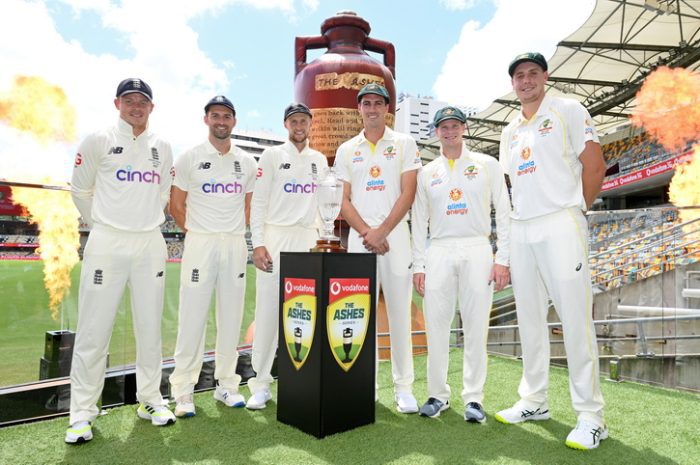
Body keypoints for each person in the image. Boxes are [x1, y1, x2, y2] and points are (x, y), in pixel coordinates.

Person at [495, 52, 608, 450]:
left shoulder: (568, 110)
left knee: (575, 319)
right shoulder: (508, 130)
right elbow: (513, 186)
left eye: (532, 74)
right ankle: (534, 401)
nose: (525, 81)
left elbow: (596, 166)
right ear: (513, 85)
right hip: (523, 227)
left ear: (545, 77)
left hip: (561, 220)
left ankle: (592, 416)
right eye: (519, 76)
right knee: (529, 319)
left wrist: (577, 210)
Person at [66, 78, 175, 444]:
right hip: (107, 242)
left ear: (151, 107)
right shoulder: (98, 140)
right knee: (94, 330)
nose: (136, 106)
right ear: (117, 104)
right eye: (129, 100)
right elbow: (80, 188)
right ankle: (82, 413)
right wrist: (103, 224)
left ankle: (150, 399)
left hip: (149, 243)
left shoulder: (162, 147)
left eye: (142, 101)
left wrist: (140, 224)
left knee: (149, 327)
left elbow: (162, 194)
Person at [411, 106, 510, 422]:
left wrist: (502, 258)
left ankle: (474, 399)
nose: (450, 131)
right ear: (436, 132)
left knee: (476, 325)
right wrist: (419, 265)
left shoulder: (486, 165)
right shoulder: (427, 173)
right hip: (439, 249)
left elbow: (504, 212)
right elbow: (419, 221)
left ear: (464, 128)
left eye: (455, 126)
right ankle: (437, 396)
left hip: (477, 247)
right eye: (444, 127)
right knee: (437, 327)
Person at [335, 83, 422, 414]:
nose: (372, 108)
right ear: (359, 109)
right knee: (361, 316)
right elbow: (342, 200)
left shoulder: (403, 143)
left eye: (378, 103)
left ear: (388, 109)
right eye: (366, 103)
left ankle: (404, 389)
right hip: (360, 238)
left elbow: (408, 192)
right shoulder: (347, 149)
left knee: (400, 314)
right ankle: (365, 386)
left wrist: (382, 230)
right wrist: (366, 232)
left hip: (396, 236)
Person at [168, 96, 257, 417]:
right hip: (200, 243)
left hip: (234, 244)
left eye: (227, 116)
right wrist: (197, 232)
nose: (221, 121)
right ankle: (183, 391)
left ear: (234, 121)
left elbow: (249, 206)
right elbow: (176, 204)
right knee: (192, 318)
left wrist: (230, 230)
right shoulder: (190, 158)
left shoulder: (247, 162)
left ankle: (227, 385)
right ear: (206, 119)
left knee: (231, 317)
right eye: (215, 115)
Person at [246, 103, 328, 409]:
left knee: (304, 313)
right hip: (276, 237)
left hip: (307, 239)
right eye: (294, 120)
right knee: (268, 312)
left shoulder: (319, 160)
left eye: (304, 120)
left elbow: (325, 203)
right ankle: (261, 384)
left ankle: (303, 381)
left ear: (310, 124)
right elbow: (259, 202)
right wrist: (258, 243)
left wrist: (323, 239)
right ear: (286, 124)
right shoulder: (271, 156)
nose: (299, 125)